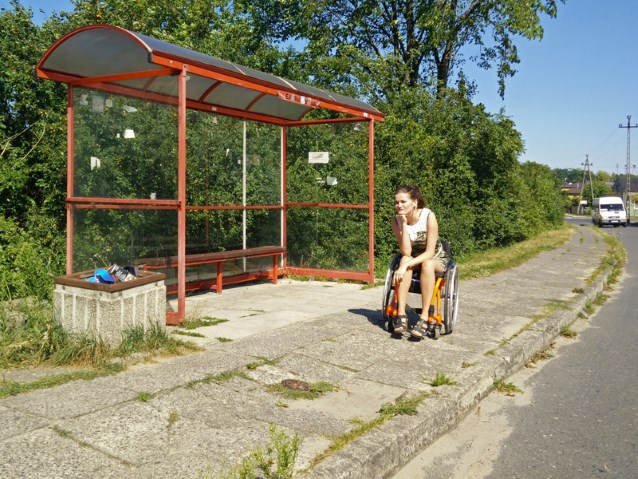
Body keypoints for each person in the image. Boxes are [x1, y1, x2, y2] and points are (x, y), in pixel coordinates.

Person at [390, 185, 447, 338]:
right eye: (396, 202)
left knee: (425, 264)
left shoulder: (428, 216)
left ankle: (424, 318)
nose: (399, 206)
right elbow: (407, 251)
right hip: (412, 256)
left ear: (414, 202)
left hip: (434, 257)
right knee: (404, 258)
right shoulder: (396, 220)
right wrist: (403, 224)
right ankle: (401, 315)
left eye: (403, 202)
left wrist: (406, 265)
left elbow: (429, 252)